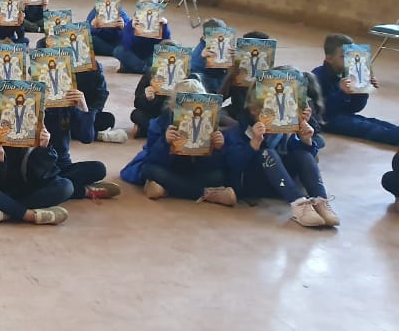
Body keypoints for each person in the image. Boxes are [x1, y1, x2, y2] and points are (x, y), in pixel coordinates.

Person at [223, 85, 338, 228]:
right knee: (267, 153)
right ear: (254, 110)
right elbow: (233, 164)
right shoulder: (238, 131)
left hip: (282, 184)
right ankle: (299, 204)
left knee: (303, 154)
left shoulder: (283, 128)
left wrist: (305, 139)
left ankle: (320, 200)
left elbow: (303, 158)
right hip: (253, 185)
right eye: (272, 110)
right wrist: (253, 144)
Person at [120, 78, 235, 204]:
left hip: (197, 171)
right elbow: (152, 157)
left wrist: (218, 148)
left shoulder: (210, 123)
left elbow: (215, 164)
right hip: (171, 168)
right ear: (173, 106)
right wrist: (165, 141)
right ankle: (207, 193)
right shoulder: (161, 122)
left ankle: (165, 189)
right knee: (149, 169)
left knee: (220, 175)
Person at [0, 120, 71, 225]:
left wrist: (43, 148)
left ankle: (6, 211)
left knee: (66, 186)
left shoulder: (34, 133)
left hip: (24, 191)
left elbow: (44, 176)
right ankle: (29, 215)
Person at [314, 33, 399, 146]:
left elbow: (355, 108)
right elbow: (320, 109)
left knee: (376, 122)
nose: (349, 60)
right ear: (329, 58)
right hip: (326, 120)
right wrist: (341, 92)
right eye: (344, 56)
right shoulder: (317, 76)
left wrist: (362, 90)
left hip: (345, 115)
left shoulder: (347, 75)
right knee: (368, 128)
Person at [113, 0, 171, 75]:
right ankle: (145, 69)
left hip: (151, 54)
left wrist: (165, 27)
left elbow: (166, 44)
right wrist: (133, 29)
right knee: (118, 50)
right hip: (135, 54)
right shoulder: (133, 21)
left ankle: (131, 68)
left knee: (165, 57)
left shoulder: (160, 21)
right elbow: (126, 44)